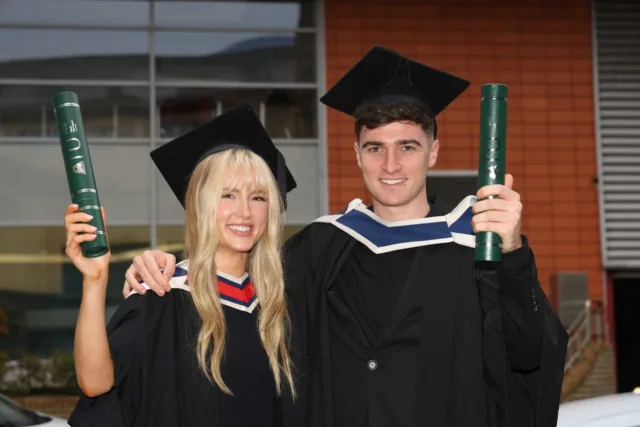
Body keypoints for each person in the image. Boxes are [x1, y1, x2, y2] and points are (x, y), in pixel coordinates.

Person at [121, 46, 569, 427]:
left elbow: (531, 355)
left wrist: (512, 257)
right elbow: (237, 280)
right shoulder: (321, 247)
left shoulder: (477, 247)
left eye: (407, 147)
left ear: (433, 150)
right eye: (375, 147)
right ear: (357, 153)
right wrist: (164, 266)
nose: (390, 165)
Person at [64, 104, 304, 427]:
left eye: (258, 197)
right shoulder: (165, 295)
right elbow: (96, 384)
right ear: (201, 204)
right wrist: (95, 280)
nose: (244, 212)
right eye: (227, 195)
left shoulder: (280, 307)